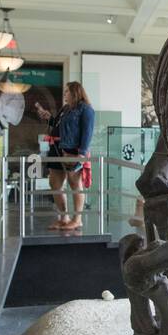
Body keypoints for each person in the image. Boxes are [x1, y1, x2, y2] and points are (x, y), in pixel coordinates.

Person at [34, 81, 95, 231]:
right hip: (56, 148)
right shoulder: (66, 109)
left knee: (75, 184)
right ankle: (63, 218)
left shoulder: (86, 109)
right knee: (55, 184)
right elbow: (58, 125)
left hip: (73, 150)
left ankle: (77, 219)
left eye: (67, 91)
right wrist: (49, 118)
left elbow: (87, 132)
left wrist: (81, 153)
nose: (65, 94)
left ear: (75, 92)